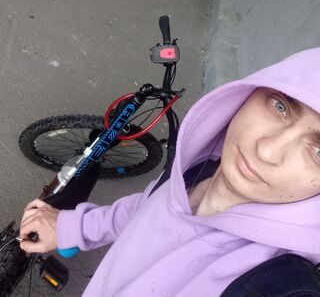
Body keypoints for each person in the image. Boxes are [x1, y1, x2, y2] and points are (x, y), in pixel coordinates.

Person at [19, 48, 320, 296]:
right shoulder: (196, 169)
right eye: (280, 106)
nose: (267, 151)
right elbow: (147, 208)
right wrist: (73, 228)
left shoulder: (278, 280)